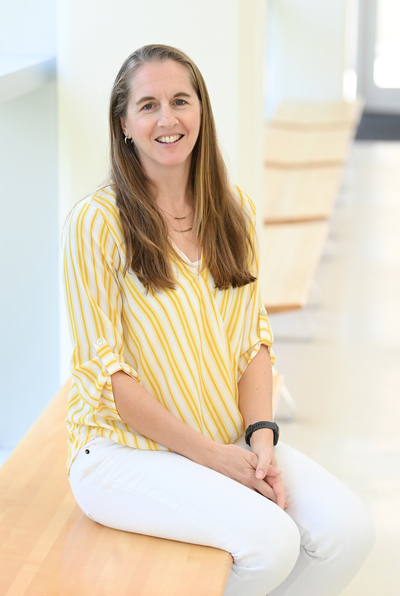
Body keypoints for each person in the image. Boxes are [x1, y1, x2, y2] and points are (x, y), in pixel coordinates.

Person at [63, 44, 375, 596]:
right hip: (120, 453)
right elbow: (105, 378)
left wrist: (259, 440)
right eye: (148, 105)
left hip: (227, 438)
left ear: (201, 111)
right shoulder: (97, 222)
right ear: (124, 124)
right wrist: (213, 459)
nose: (168, 119)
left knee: (349, 532)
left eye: (181, 101)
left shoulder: (235, 211)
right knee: (270, 543)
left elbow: (254, 341)